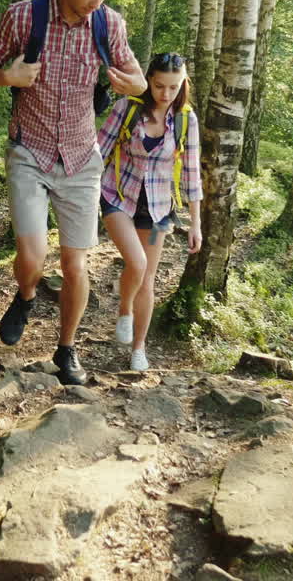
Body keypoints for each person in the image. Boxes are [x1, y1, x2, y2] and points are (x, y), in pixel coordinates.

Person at [0, 0, 147, 386]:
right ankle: (27, 294)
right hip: (28, 150)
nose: (96, 3)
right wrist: (6, 77)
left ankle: (65, 350)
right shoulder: (23, 17)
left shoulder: (109, 24)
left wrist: (131, 84)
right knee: (32, 257)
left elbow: (139, 81)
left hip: (81, 158)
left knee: (76, 266)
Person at [97, 52, 203, 372]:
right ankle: (125, 307)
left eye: (173, 87)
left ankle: (139, 349)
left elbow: (192, 175)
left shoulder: (186, 120)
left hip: (158, 210)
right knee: (138, 262)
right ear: (149, 80)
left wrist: (195, 224)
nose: (166, 94)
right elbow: (99, 150)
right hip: (117, 197)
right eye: (159, 86)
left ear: (182, 85)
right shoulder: (127, 108)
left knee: (148, 277)